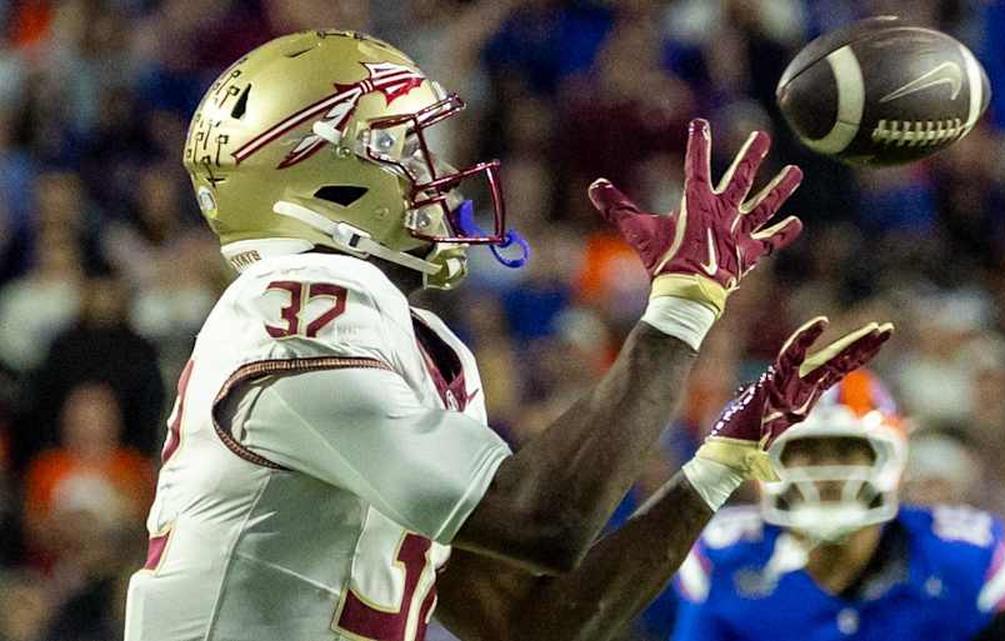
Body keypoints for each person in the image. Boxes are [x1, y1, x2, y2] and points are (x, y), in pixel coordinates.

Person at [123, 30, 893, 641]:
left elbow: (533, 621)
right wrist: (683, 308)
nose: (438, 172)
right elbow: (543, 519)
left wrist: (719, 462)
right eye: (399, 147)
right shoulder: (295, 308)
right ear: (319, 177)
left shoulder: (411, 345)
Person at [672, 371, 1005, 641]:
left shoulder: (960, 558)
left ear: (891, 459)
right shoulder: (725, 558)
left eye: (846, 450)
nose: (826, 474)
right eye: (806, 452)